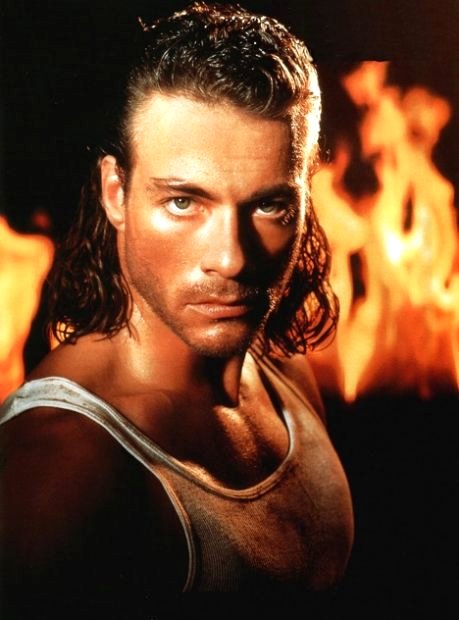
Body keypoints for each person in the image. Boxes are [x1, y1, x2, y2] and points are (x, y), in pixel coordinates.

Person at [0, 0, 353, 611]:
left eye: (269, 205)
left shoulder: (282, 373)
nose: (232, 259)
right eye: (184, 203)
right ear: (116, 193)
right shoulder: (61, 473)